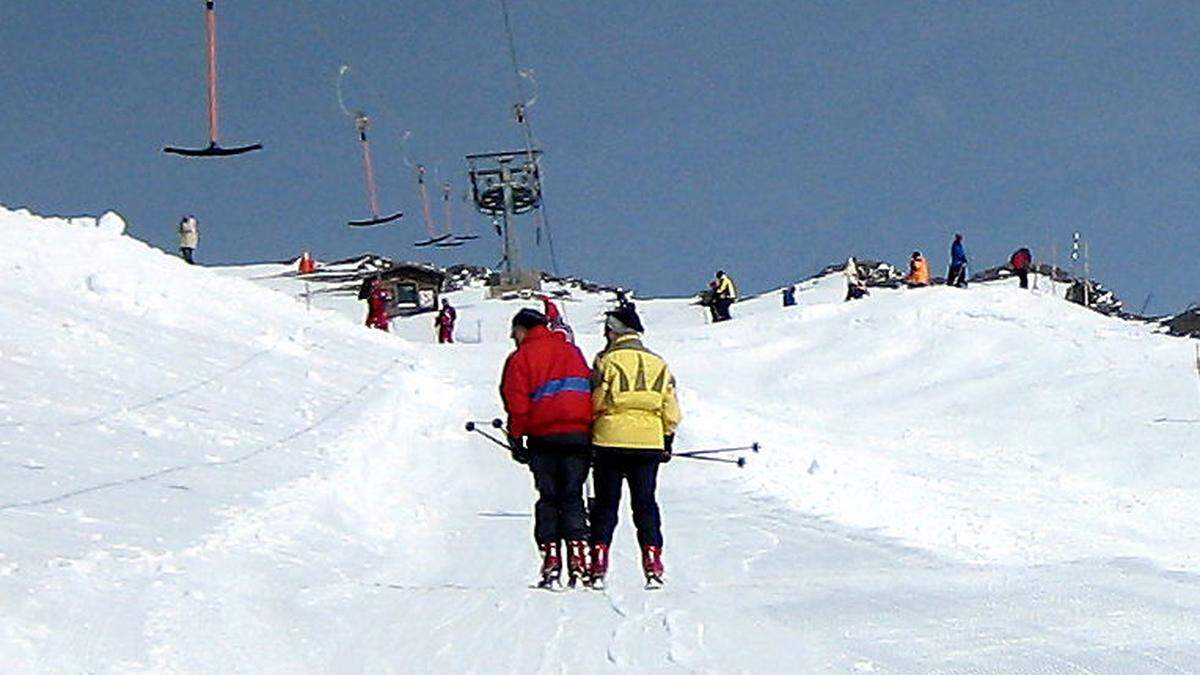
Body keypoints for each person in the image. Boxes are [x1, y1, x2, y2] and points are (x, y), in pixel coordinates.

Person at [588, 304, 682, 589]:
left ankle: (598, 561)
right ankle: (653, 560)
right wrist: (666, 439)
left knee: (606, 504)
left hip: (610, 440)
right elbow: (671, 408)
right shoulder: (659, 363)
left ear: (613, 331)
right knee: (645, 503)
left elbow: (597, 401)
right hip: (649, 441)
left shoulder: (607, 361)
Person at [500, 308, 594, 588]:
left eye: (514, 332)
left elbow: (517, 404)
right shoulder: (572, 352)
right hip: (579, 434)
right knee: (573, 495)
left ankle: (551, 560)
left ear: (523, 330)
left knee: (549, 497)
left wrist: (516, 438)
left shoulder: (519, 358)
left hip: (544, 437)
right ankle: (580, 559)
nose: (512, 338)